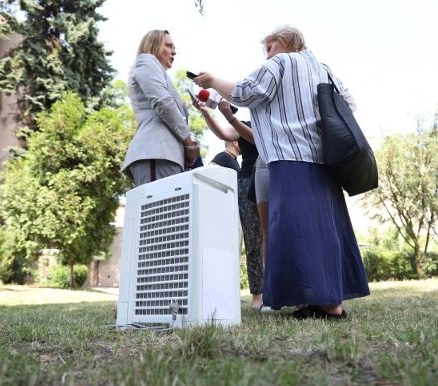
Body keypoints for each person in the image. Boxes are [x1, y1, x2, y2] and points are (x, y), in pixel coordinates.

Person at [194, 26, 370, 319]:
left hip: (290, 154)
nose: (267, 55)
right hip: (324, 158)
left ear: (285, 42)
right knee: (325, 229)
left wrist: (212, 80)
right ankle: (329, 300)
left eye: (269, 48)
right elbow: (349, 103)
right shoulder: (323, 68)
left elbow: (246, 92)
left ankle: (324, 304)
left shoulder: (282, 62)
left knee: (298, 229)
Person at [194, 99, 270, 311]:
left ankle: (281, 291)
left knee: (276, 237)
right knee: (254, 239)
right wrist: (207, 113)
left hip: (275, 178)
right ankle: (258, 297)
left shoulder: (277, 122)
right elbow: (224, 134)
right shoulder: (244, 124)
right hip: (249, 183)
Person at [122, 30, 200, 187]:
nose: (174, 51)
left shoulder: (158, 72)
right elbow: (164, 103)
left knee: (170, 210)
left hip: (166, 156)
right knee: (160, 209)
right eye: (169, 45)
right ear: (154, 46)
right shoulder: (146, 61)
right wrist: (189, 143)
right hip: (157, 152)